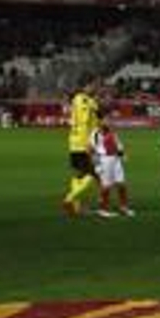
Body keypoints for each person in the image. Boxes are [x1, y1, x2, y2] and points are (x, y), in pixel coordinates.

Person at [61, 79, 101, 217]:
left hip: (74, 142)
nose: (95, 88)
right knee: (93, 174)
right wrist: (88, 144)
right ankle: (69, 199)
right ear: (86, 85)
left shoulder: (80, 99)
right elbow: (84, 123)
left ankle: (76, 207)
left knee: (79, 174)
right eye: (93, 85)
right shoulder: (84, 100)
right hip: (83, 142)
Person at [89, 119, 132, 218]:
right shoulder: (95, 134)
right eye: (105, 122)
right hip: (104, 160)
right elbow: (91, 150)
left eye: (108, 122)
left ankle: (123, 207)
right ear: (100, 123)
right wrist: (97, 165)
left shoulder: (112, 132)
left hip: (116, 159)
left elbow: (117, 145)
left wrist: (122, 155)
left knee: (121, 183)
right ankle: (103, 210)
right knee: (106, 186)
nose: (108, 123)